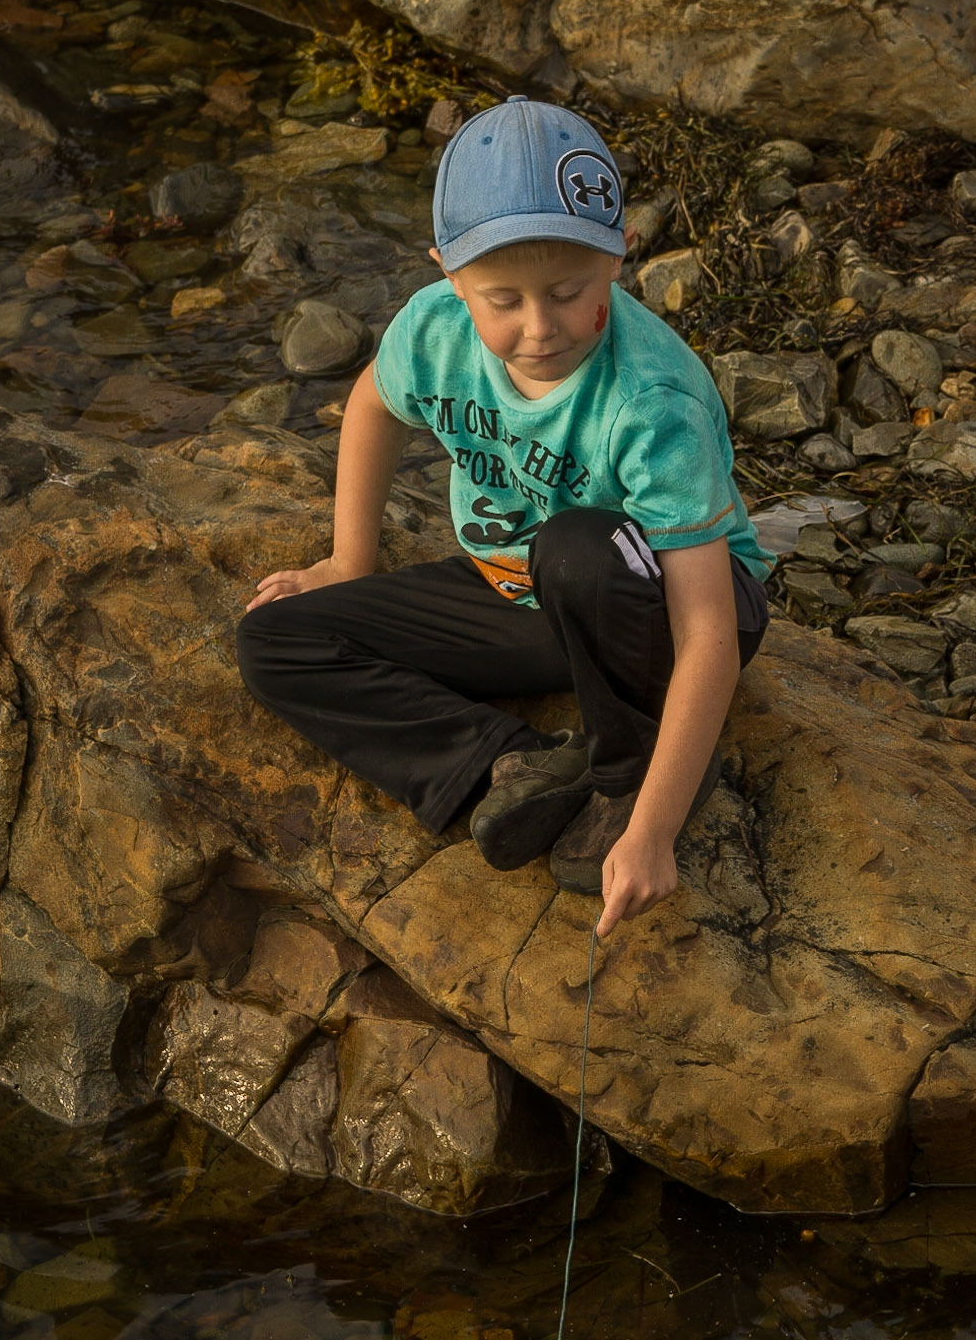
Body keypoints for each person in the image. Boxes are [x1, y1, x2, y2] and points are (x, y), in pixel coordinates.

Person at [235, 95, 772, 939]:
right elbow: (372, 402)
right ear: (449, 276)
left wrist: (653, 832)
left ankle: (633, 770)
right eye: (502, 301)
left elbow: (705, 628)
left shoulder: (650, 400)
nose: (538, 328)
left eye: (566, 292)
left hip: (663, 606)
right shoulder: (433, 328)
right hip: (520, 587)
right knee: (276, 640)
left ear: (617, 256)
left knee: (575, 545)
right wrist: (347, 561)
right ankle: (511, 762)